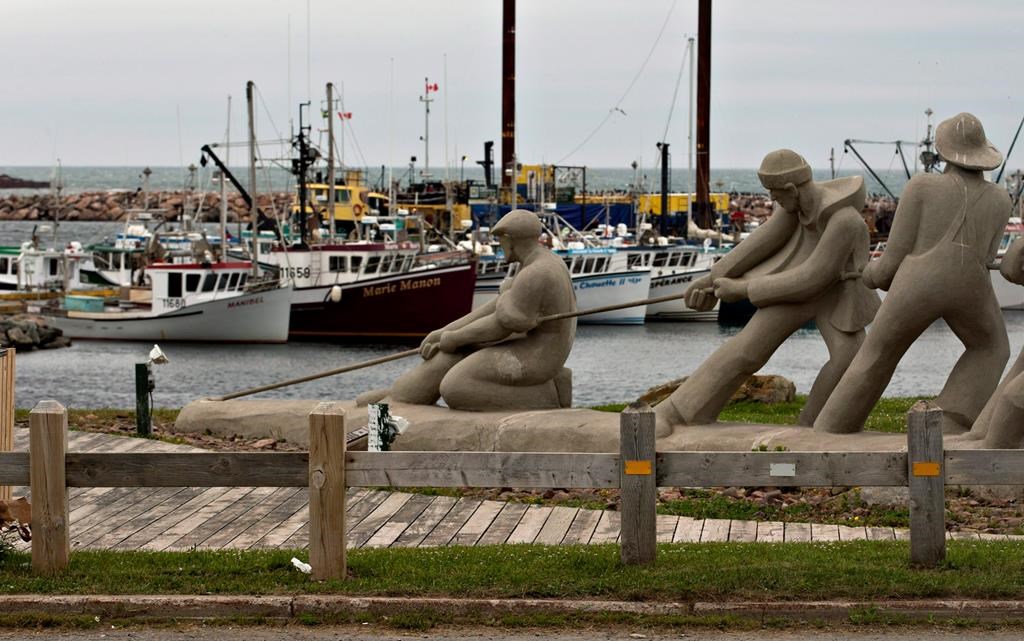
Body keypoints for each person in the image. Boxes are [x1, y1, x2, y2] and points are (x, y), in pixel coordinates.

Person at [656, 149, 880, 435]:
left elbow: (814, 276)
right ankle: (676, 412)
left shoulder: (844, 221)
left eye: (775, 195)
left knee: (851, 360)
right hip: (794, 291)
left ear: (790, 188)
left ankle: (816, 427)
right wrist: (711, 279)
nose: (774, 201)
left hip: (833, 295)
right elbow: (761, 242)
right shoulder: (793, 207)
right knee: (747, 349)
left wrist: (743, 289)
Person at [814, 113, 1011, 434]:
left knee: (879, 352)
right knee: (992, 347)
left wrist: (872, 276)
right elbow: (988, 256)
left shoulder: (922, 185)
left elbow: (893, 258)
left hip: (918, 282)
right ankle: (952, 420)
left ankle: (835, 426)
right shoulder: (1001, 198)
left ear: (944, 151)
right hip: (972, 285)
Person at [357, 209, 576, 411]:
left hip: (539, 357)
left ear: (510, 239)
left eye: (500, 240)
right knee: (449, 355)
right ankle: (403, 395)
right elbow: (495, 309)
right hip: (527, 342)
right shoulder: (537, 262)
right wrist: (444, 332)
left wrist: (455, 337)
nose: (499, 246)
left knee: (456, 387)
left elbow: (500, 325)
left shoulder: (536, 273)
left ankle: (550, 394)